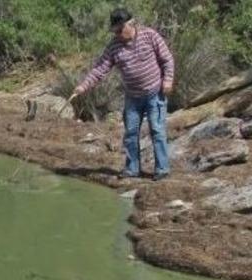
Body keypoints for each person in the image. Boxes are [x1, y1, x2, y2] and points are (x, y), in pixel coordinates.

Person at [71, 8, 175, 180]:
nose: (118, 34)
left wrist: (168, 80)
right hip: (132, 97)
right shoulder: (114, 46)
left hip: (154, 93)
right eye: (115, 31)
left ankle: (162, 170)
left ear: (131, 24)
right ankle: (132, 169)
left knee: (157, 130)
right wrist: (83, 86)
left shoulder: (150, 35)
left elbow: (167, 59)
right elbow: (100, 69)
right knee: (131, 133)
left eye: (120, 30)